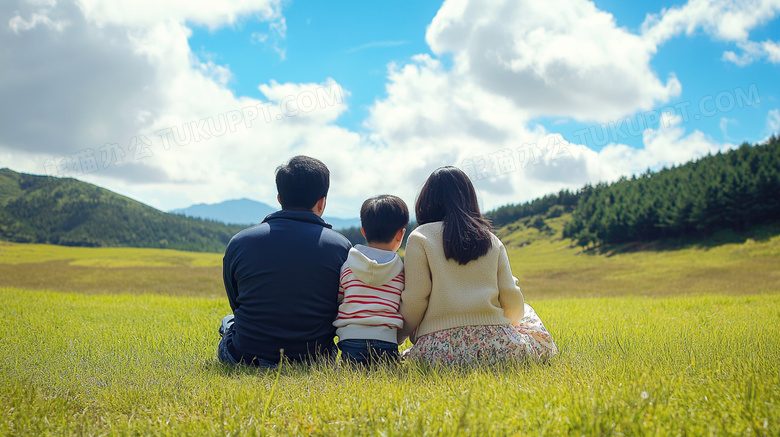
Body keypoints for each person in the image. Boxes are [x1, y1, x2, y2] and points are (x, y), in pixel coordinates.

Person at [397, 166, 558, 365]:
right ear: (470, 199)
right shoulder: (491, 239)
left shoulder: (420, 237)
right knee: (528, 312)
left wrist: (400, 337)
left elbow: (415, 301)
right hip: (499, 349)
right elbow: (512, 301)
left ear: (426, 201)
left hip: (438, 352)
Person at [218, 156, 352, 367]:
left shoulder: (240, 242)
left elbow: (236, 302)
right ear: (322, 201)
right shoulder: (341, 247)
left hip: (244, 357)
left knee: (229, 320)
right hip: (315, 359)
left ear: (279, 198)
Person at [332, 195, 409, 365]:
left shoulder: (348, 266)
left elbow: (339, 298)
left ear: (363, 231)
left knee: (350, 374)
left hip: (351, 339)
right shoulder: (401, 271)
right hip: (387, 341)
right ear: (400, 234)